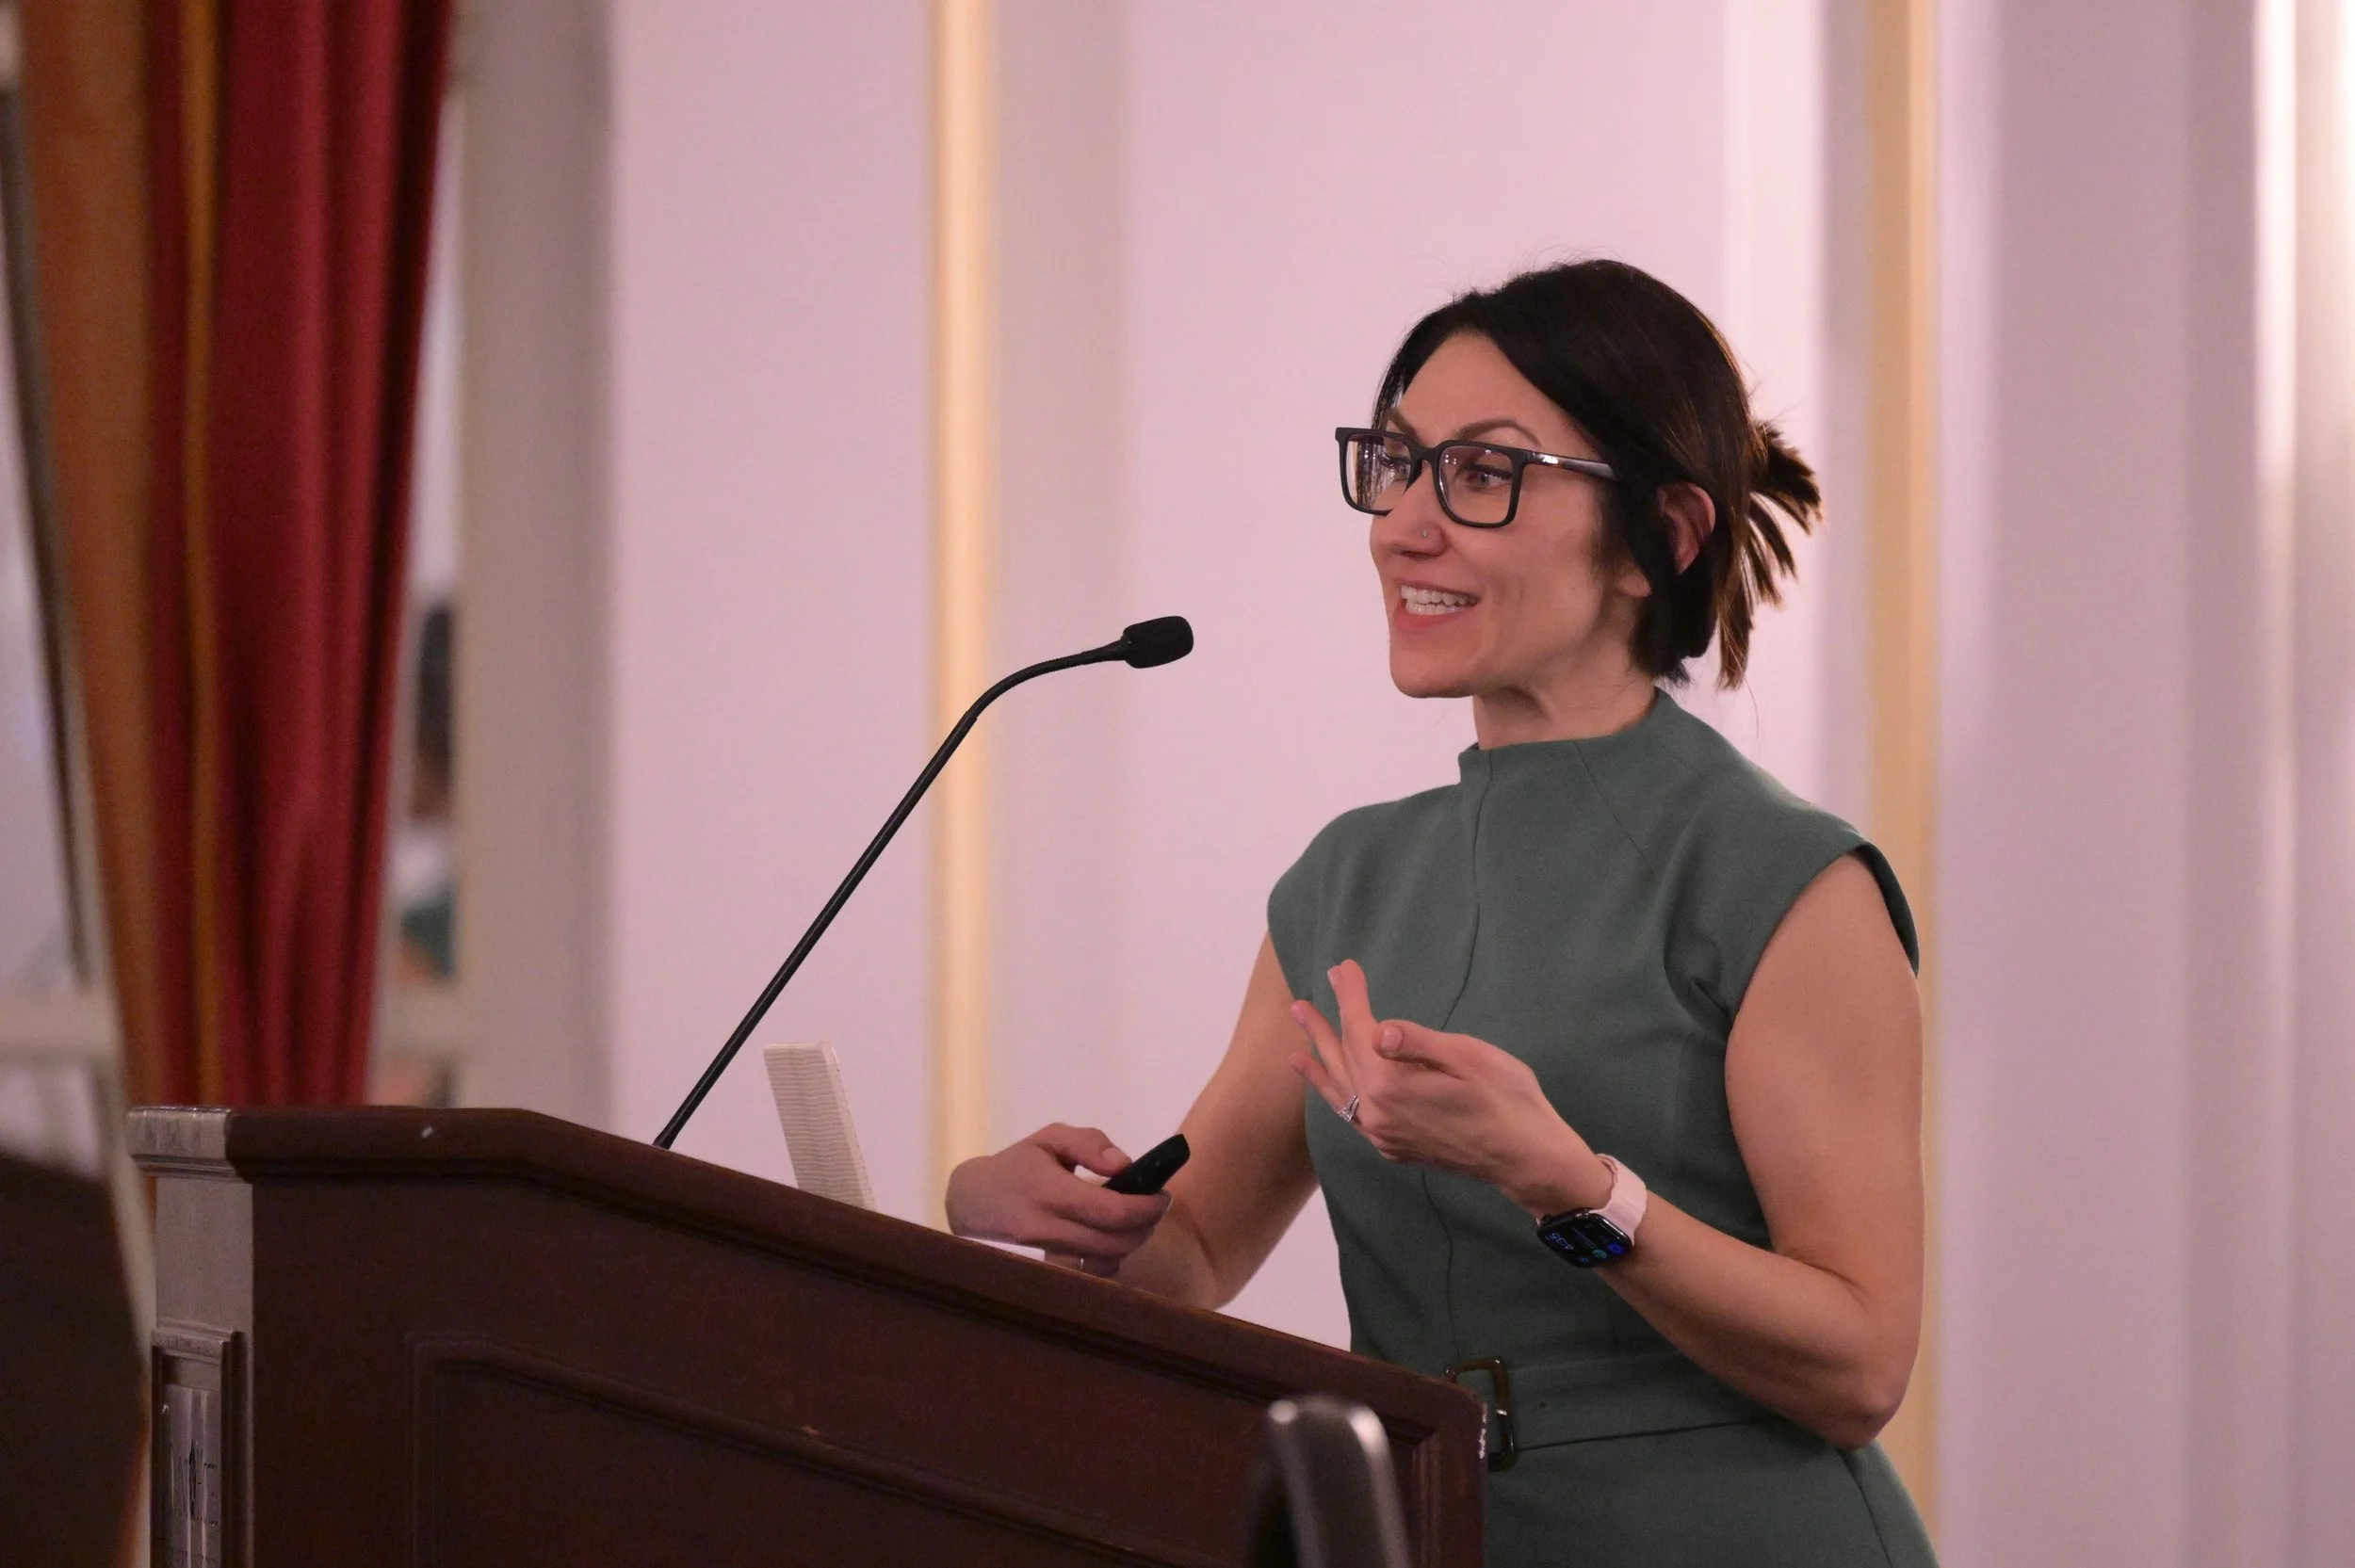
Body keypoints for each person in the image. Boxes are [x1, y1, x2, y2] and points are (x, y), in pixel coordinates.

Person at [946, 259, 1937, 1567]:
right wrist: (1035, 1216)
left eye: (1482, 473)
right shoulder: (1346, 881)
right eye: (1399, 464)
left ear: (1664, 536)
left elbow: (1859, 1366)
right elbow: (1195, 1248)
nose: (1404, 525)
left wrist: (1569, 1187)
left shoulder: (1786, 882)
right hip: (1430, 1531)